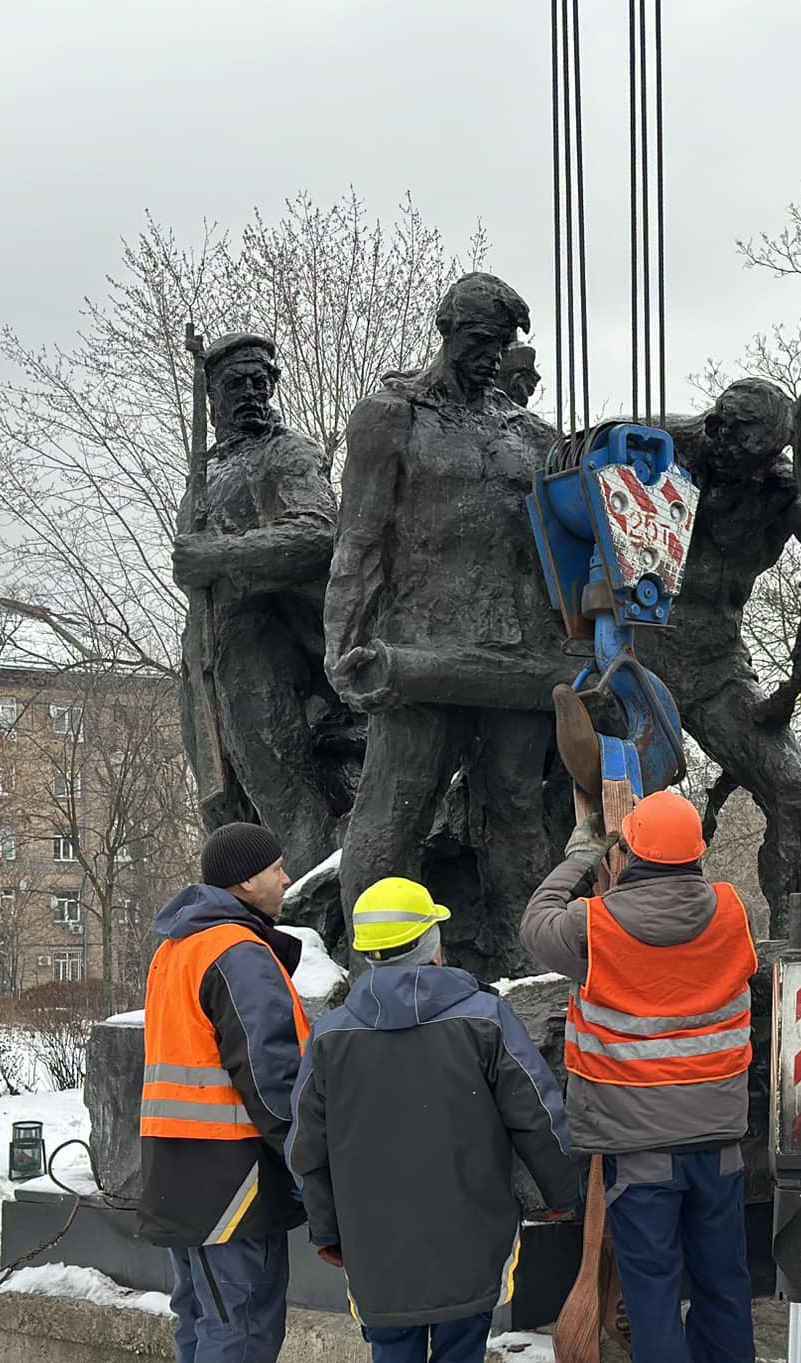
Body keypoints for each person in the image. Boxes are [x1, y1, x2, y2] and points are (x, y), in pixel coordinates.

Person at [286, 877, 583, 1363]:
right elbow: (536, 1111)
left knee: (391, 1353)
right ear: (433, 943)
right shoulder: (484, 1017)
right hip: (468, 1231)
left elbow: (305, 1149)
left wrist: (327, 1230)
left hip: (374, 1244)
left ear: (367, 952)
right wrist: (563, 1193)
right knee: (457, 1351)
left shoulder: (332, 1036)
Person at [325, 272, 575, 980]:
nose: (491, 357)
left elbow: (564, 542)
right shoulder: (389, 415)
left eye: (502, 345)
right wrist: (343, 640)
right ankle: (376, 978)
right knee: (392, 813)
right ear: (446, 330)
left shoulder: (531, 434)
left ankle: (530, 978)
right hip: (420, 652)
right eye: (479, 340)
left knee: (520, 817)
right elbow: (359, 538)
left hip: (518, 657)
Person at [519, 790, 759, 1363]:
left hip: (637, 1150)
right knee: (724, 1293)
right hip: (718, 1143)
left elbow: (535, 923)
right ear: (697, 856)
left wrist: (579, 857)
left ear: (628, 854)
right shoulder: (731, 912)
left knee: (655, 1301)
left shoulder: (592, 928)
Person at [635, 366, 801, 931]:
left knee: (797, 797)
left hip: (717, 666)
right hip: (632, 659)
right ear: (716, 431)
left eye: (771, 457)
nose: (759, 472)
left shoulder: (776, 484)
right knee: (620, 814)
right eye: (749, 457)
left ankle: (795, 952)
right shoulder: (650, 451)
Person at [139, 823, 312, 1363]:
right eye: (276, 867)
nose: (286, 878)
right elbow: (272, 1080)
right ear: (244, 881)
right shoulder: (237, 951)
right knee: (238, 1327)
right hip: (231, 1169)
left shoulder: (177, 946)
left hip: (184, 1166)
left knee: (204, 1324)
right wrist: (311, 1161)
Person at [171, 333, 352, 876]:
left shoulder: (287, 452)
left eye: (261, 382)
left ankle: (315, 920)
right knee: (226, 807)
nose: (252, 393)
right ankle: (255, 917)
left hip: (267, 647)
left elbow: (317, 534)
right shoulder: (207, 469)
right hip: (207, 659)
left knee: (283, 795)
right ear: (212, 395)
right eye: (235, 384)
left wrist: (219, 555)